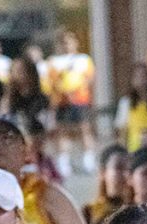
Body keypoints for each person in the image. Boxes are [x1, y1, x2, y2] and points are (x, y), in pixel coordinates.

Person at [48, 30, 97, 176]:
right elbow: (52, 81)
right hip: (61, 102)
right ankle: (64, 162)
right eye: (63, 43)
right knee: (62, 131)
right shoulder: (53, 61)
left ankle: (88, 160)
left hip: (80, 100)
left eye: (69, 42)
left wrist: (77, 92)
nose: (67, 45)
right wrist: (63, 92)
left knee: (84, 129)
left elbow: (89, 79)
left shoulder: (84, 59)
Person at [114, 64, 147, 152]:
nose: (141, 80)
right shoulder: (126, 102)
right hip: (135, 149)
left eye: (144, 76)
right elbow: (122, 130)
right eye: (137, 77)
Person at [84, 144, 130, 224]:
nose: (125, 174)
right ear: (103, 172)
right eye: (119, 167)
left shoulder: (139, 212)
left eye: (129, 169)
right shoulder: (88, 213)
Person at [7, 57, 51, 132]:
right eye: (12, 71)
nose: (15, 75)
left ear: (31, 74)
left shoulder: (41, 99)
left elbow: (48, 125)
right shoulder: (8, 97)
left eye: (20, 71)